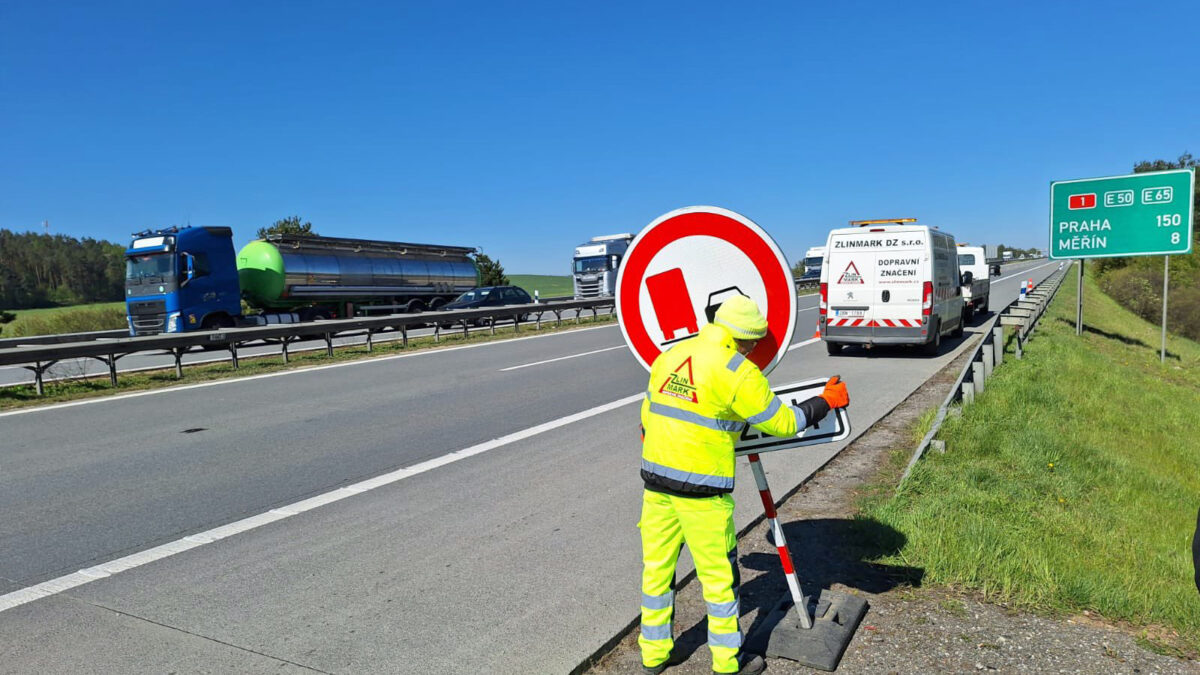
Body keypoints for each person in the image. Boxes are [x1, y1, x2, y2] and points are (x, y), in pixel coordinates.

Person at [637, 295, 850, 675]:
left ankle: (654, 656)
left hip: (655, 487)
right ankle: (727, 663)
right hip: (702, 494)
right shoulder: (738, 371)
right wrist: (824, 402)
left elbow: (647, 416)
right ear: (747, 340)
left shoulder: (671, 355)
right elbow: (783, 423)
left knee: (656, 572)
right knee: (720, 583)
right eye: (754, 342)